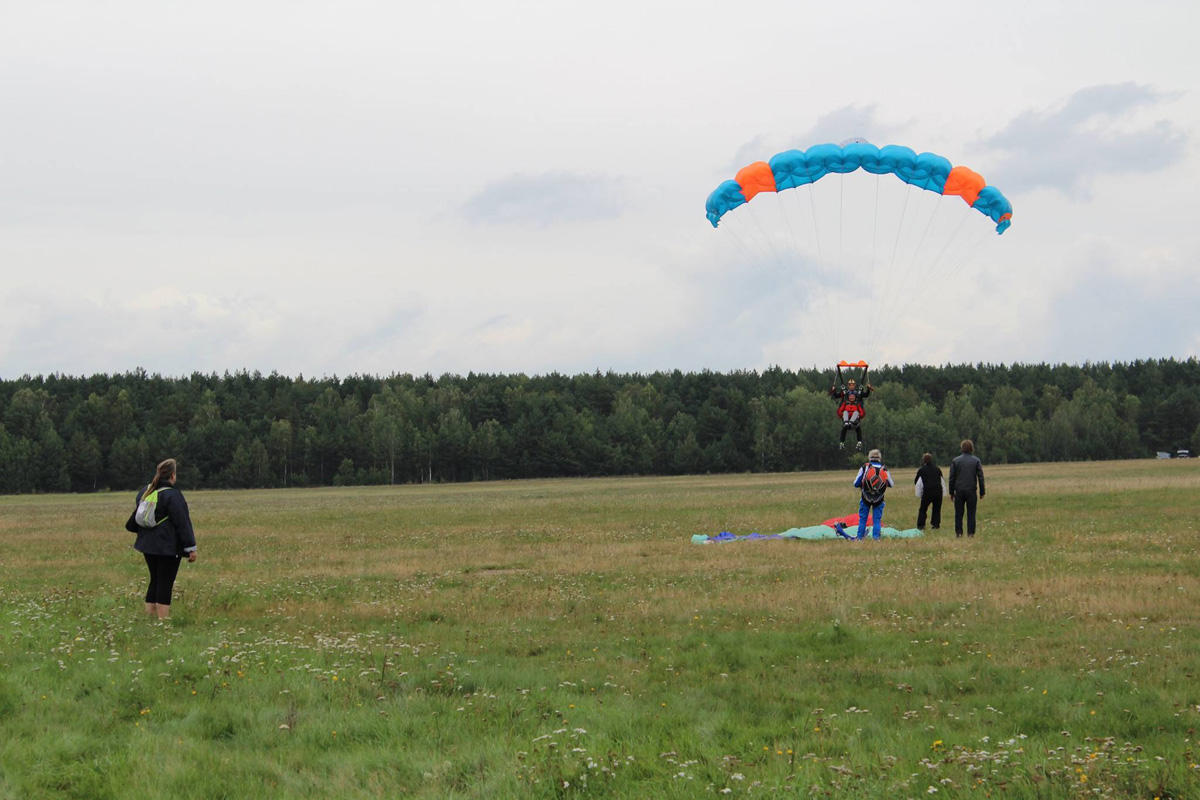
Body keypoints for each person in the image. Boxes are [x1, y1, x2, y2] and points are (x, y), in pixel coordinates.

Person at [124, 458, 197, 619]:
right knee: (165, 582)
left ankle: (150, 617)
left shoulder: (145, 491)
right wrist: (191, 547)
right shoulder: (173, 495)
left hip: (147, 546)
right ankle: (163, 622)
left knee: (155, 580)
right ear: (172, 475)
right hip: (167, 547)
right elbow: (182, 522)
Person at [851, 448, 894, 539]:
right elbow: (891, 484)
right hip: (879, 498)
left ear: (869, 457)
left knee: (863, 519)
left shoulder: (865, 467)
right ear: (879, 458)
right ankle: (876, 538)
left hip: (865, 497)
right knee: (877, 520)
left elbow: (856, 483)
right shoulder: (884, 468)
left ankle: (859, 538)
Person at [947, 439, 985, 538]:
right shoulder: (976, 460)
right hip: (971, 491)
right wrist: (982, 491)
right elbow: (980, 477)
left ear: (962, 448)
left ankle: (959, 533)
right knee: (971, 513)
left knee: (958, 513)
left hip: (959, 491)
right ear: (972, 448)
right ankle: (971, 533)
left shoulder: (955, 461)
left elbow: (952, 478)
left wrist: (951, 492)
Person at [830, 378, 872, 450]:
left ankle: (859, 442)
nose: (851, 386)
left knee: (857, 425)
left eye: (853, 385)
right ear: (848, 385)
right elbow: (836, 397)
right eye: (850, 385)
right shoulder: (845, 399)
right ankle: (842, 442)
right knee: (844, 426)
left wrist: (868, 388)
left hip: (855, 420)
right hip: (846, 419)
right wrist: (833, 390)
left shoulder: (857, 402)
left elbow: (866, 395)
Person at [913, 452, 944, 530]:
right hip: (938, 491)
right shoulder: (937, 469)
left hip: (928, 491)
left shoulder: (922, 470)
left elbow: (916, 481)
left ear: (924, 460)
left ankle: (921, 525)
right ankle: (936, 525)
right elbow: (941, 479)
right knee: (936, 509)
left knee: (923, 509)